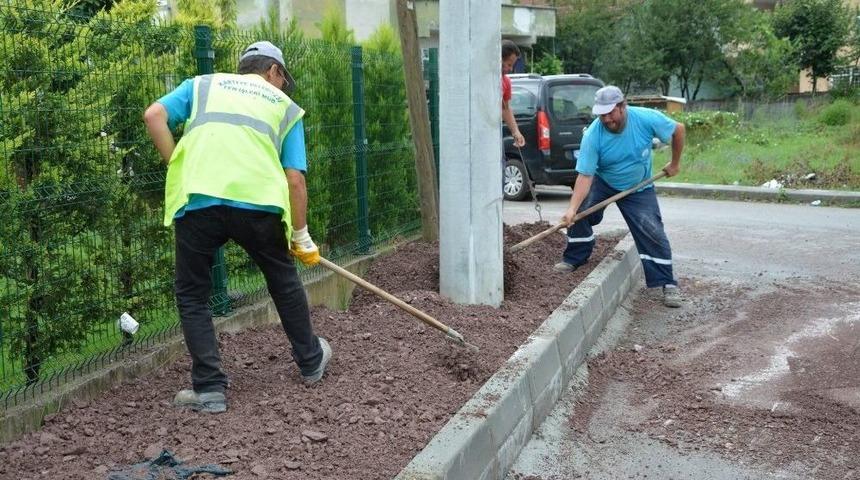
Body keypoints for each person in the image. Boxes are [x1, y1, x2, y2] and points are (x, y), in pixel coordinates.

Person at [143, 41, 332, 414]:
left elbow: (153, 116)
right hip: (257, 205)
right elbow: (295, 179)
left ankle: (210, 389)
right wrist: (300, 235)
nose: (283, 88)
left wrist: (176, 163)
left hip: (199, 199)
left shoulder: (202, 85)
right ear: (273, 72)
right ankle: (311, 362)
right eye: (284, 80)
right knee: (283, 280)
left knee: (192, 294)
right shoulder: (285, 107)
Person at [554, 86, 685, 308]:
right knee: (579, 214)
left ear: (622, 106)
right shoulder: (593, 135)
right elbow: (585, 176)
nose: (606, 119)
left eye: (610, 113)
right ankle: (574, 257)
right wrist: (572, 209)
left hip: (638, 187)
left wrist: (674, 163)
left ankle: (667, 282)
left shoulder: (645, 118)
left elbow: (678, 130)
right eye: (601, 114)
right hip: (604, 182)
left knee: (652, 229)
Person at [501, 40, 525, 150]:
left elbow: (505, 108)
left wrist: (516, 131)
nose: (511, 69)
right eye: (509, 64)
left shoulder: (506, 82)